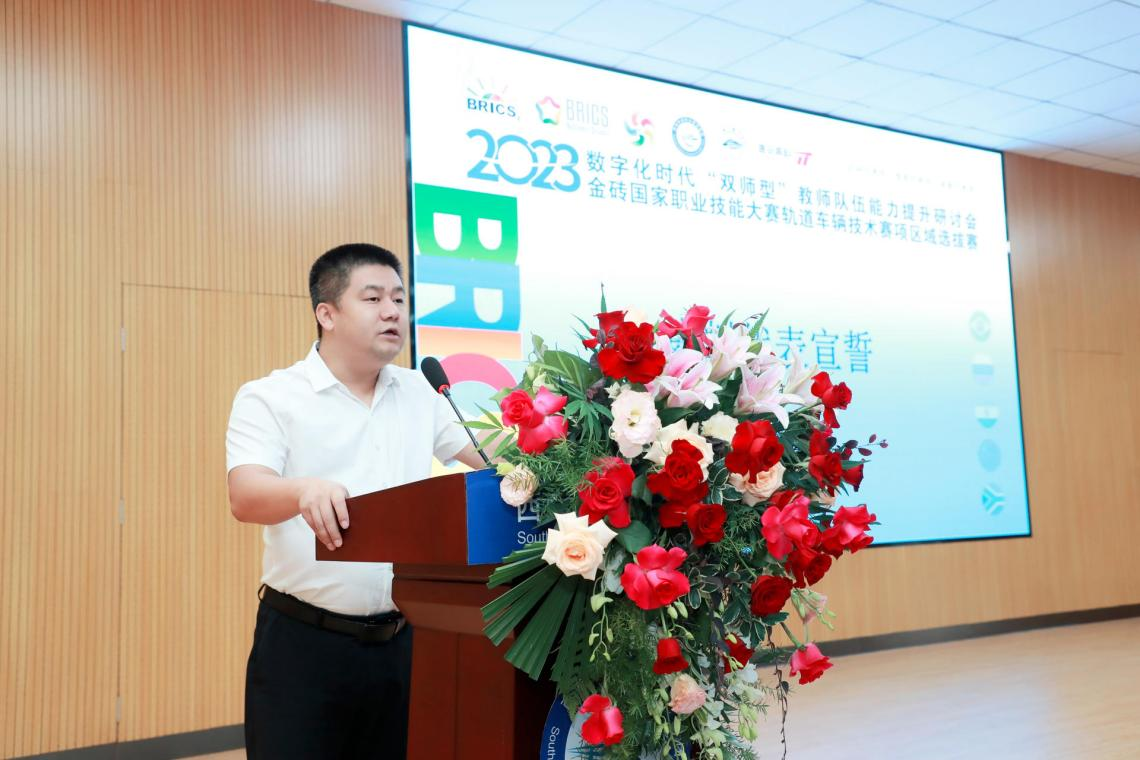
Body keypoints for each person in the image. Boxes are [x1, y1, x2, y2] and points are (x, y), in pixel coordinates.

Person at [226, 243, 487, 759]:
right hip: (304, 645)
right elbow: (246, 494)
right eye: (373, 298)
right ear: (327, 314)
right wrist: (302, 490)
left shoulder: (420, 391)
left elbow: (487, 455)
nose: (392, 311)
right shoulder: (271, 396)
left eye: (399, 299)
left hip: (404, 641)